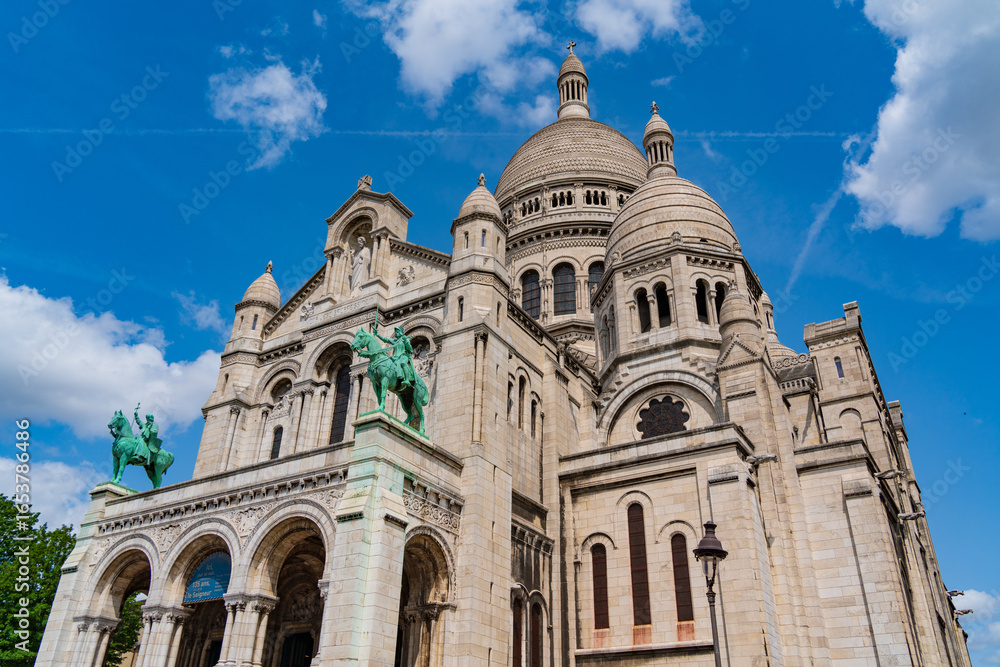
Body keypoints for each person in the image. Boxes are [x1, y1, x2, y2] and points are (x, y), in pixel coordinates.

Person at [374, 324, 416, 390]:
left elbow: (410, 349)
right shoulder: (395, 341)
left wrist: (406, 341)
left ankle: (407, 379)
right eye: (395, 332)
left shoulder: (404, 339)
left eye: (397, 332)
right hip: (395, 357)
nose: (396, 333)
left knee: (403, 363)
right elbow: (385, 340)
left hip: (403, 356)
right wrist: (377, 334)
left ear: (401, 333)